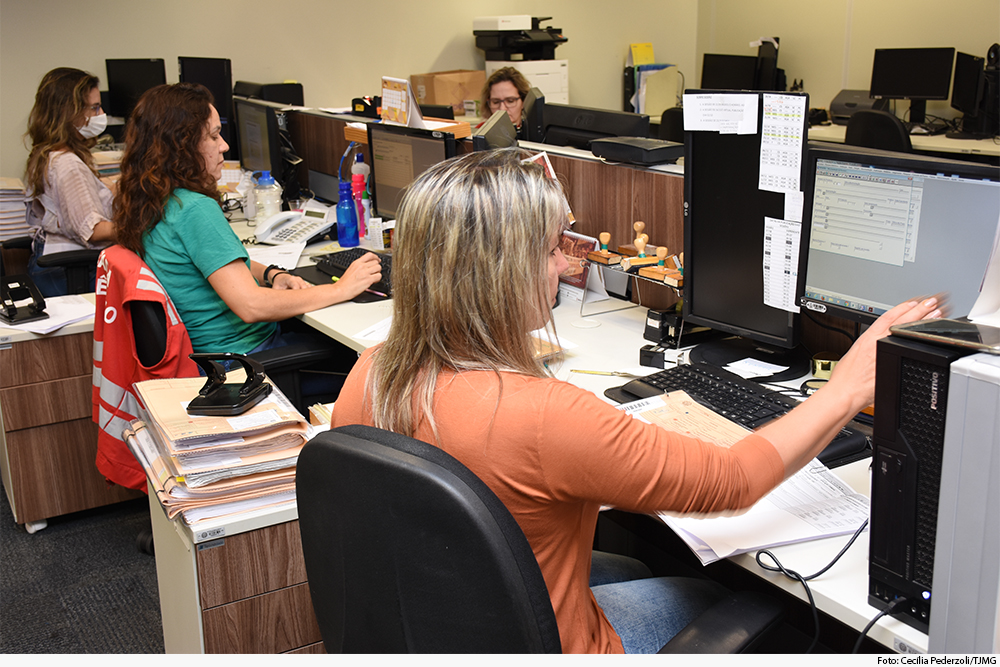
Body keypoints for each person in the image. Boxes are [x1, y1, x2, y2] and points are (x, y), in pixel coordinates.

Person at [330, 148, 943, 653]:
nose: (563, 269)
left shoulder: (370, 371)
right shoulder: (545, 416)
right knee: (716, 600)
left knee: (635, 569)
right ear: (498, 272)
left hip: (437, 629)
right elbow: (733, 479)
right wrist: (845, 389)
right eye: (548, 250)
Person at [112, 83, 381, 381]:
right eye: (213, 136)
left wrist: (272, 275)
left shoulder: (152, 199)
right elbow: (251, 305)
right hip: (244, 362)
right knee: (371, 363)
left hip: (211, 355)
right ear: (182, 144)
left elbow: (219, 262)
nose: (224, 145)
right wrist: (340, 289)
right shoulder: (193, 209)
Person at [23, 67, 115, 295]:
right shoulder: (67, 164)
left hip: (51, 261)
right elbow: (93, 231)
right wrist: (141, 226)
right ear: (69, 111)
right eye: (94, 107)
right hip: (72, 269)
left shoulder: (48, 154)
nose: (100, 113)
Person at [479, 66, 532, 135]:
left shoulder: (533, 134)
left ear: (523, 101)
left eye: (510, 101)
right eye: (496, 102)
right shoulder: (480, 131)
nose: (502, 109)